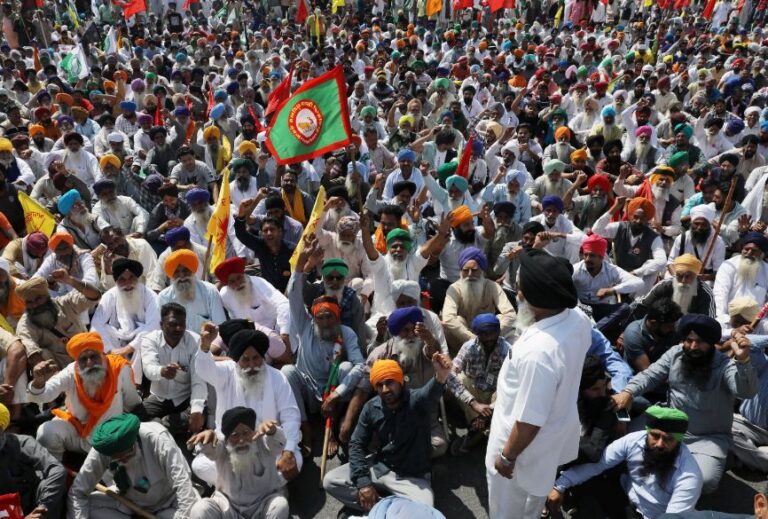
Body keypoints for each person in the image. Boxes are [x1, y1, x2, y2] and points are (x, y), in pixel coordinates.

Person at [486, 249, 592, 518]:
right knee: (532, 503)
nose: (518, 293)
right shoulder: (578, 319)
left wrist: (507, 457)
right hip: (552, 437)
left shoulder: (539, 352)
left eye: (521, 289)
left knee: (511, 510)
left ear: (535, 298)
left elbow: (529, 420)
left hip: (522, 454)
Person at [612, 314, 758, 494]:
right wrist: (628, 392)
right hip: (667, 425)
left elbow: (747, 392)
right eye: (689, 340)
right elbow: (650, 375)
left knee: (703, 482)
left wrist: (743, 361)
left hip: (707, 437)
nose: (693, 346)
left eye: (700, 341)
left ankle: (721, 458)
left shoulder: (724, 365)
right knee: (622, 447)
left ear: (712, 343)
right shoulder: (676, 353)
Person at [323, 355, 453, 513]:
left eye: (389, 382)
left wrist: (441, 376)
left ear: (401, 381)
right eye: (379, 385)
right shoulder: (371, 408)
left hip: (412, 477)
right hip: (380, 468)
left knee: (425, 510)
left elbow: (431, 392)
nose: (385, 390)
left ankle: (379, 510)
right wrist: (364, 484)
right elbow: (356, 444)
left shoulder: (417, 401)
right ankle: (389, 508)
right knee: (330, 481)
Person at [282, 238, 365, 454]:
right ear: (313, 317)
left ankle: (334, 428)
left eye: (330, 317)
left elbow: (360, 366)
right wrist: (302, 260)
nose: (326, 322)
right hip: (309, 392)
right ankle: (305, 429)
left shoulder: (346, 333)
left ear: (337, 318)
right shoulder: (306, 326)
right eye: (321, 317)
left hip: (334, 393)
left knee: (347, 368)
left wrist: (337, 394)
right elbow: (293, 295)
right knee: (287, 371)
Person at [547, 406, 703, 518]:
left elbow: (673, 517)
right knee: (588, 484)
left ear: (679, 441)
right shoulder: (634, 440)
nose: (660, 444)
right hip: (626, 499)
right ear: (648, 432)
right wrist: (559, 486)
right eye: (655, 436)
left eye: (669, 439)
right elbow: (599, 464)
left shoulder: (690, 475)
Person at [193, 324, 301, 484]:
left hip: (267, 446)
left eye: (256, 358)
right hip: (233, 446)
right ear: (237, 360)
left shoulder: (277, 378)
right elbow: (204, 370)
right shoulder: (226, 372)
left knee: (296, 460)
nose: (252, 365)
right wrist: (204, 346)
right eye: (245, 359)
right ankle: (256, 488)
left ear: (263, 357)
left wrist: (289, 450)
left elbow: (291, 417)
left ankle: (239, 488)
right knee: (200, 465)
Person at [26, 332, 140, 460]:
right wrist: (38, 382)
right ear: (76, 362)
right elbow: (43, 396)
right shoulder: (70, 373)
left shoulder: (119, 368)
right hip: (77, 431)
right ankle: (56, 470)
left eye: (93, 356)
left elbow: (132, 403)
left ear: (102, 355)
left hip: (109, 436)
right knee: (46, 432)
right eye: (83, 359)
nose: (90, 363)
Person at [68, 413, 198, 519]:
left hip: (169, 503)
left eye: (127, 453)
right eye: (116, 457)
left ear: (135, 440)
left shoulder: (157, 439)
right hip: (129, 504)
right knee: (87, 505)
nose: (122, 459)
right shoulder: (103, 448)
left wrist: (182, 517)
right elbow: (78, 492)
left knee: (198, 512)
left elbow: (183, 484)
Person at [188, 407, 290, 519]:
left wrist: (273, 431)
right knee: (199, 509)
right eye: (235, 435)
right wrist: (207, 441)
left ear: (254, 432)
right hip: (228, 507)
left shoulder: (263, 442)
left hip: (262, 505)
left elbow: (278, 444)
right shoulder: (223, 446)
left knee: (280, 505)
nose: (241, 440)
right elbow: (213, 450)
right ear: (227, 438)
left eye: (246, 433)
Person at [138, 303, 207, 436]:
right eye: (173, 324)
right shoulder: (149, 340)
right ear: (161, 324)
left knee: (195, 416)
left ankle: (158, 427)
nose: (178, 328)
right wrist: (162, 371)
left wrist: (196, 411)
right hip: (159, 398)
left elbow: (199, 380)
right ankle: (163, 427)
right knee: (133, 419)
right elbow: (149, 368)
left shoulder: (195, 341)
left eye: (182, 324)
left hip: (184, 399)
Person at [448, 313, 510, 455]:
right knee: (459, 379)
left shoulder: (507, 351)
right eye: (484, 334)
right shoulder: (468, 347)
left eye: (492, 333)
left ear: (498, 332)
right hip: (474, 394)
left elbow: (513, 383)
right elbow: (451, 374)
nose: (488, 338)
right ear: (477, 333)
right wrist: (474, 404)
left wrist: (487, 411)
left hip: (495, 395)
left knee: (506, 388)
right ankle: (483, 426)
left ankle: (480, 425)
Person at [15, 269, 101, 370]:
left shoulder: (65, 303)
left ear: (47, 296)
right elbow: (30, 348)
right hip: (61, 366)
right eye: (29, 302)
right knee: (42, 353)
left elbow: (94, 296)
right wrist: (43, 368)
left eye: (38, 299)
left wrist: (70, 280)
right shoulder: (25, 323)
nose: (35, 305)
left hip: (87, 355)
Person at [441, 247, 517, 353]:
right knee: (455, 321)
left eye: (474, 270)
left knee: (501, 319)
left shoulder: (492, 286)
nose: (470, 274)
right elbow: (448, 318)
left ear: (482, 271)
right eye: (466, 270)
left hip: (490, 336)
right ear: (461, 271)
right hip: (464, 338)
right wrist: (472, 338)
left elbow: (510, 314)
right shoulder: (454, 288)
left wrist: (492, 334)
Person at [0, 402, 66, 519]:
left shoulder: (22, 443)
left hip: (30, 506)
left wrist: (41, 508)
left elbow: (57, 469)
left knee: (48, 485)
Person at [215, 257, 291, 351]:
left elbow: (283, 305)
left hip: (276, 334)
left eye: (239, 278)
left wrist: (284, 334)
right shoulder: (224, 295)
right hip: (250, 340)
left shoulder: (258, 283)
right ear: (227, 284)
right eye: (232, 281)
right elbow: (235, 320)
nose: (237, 283)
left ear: (244, 274)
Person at [91, 258, 160, 359]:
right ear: (116, 281)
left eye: (131, 277)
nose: (128, 284)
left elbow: (154, 325)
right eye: (122, 279)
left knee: (148, 338)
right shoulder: (110, 295)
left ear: (137, 278)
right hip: (117, 343)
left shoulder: (150, 296)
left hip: (142, 342)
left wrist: (129, 348)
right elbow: (96, 324)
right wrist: (110, 350)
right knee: (102, 330)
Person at [158, 249, 226, 333]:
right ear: (171, 275)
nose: (182, 276)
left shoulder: (210, 291)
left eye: (185, 270)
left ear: (192, 270)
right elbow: (162, 330)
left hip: (208, 343)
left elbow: (220, 326)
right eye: (176, 272)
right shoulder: (164, 297)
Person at [713, 232, 768, 325]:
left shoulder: (766, 269)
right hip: (730, 319)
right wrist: (722, 317)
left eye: (754, 250)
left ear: (762, 254)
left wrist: (758, 321)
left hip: (756, 322)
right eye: (746, 249)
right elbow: (720, 293)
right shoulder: (728, 265)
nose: (749, 253)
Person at [636, 255, 716, 317]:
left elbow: (707, 323)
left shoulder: (705, 293)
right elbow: (643, 305)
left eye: (688, 276)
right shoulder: (665, 285)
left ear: (696, 276)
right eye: (680, 276)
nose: (683, 281)